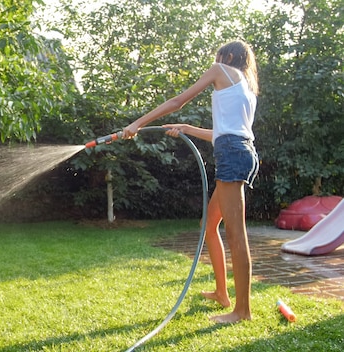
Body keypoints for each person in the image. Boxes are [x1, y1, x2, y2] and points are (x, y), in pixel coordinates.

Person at [123, 40, 259, 323]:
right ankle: (223, 293)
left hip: (233, 155)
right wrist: (186, 128)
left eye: (218, 55)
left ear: (228, 56)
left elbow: (177, 102)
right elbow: (224, 132)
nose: (215, 59)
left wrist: (137, 123)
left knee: (236, 235)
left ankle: (242, 312)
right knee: (209, 225)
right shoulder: (245, 87)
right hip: (238, 150)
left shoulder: (220, 69)